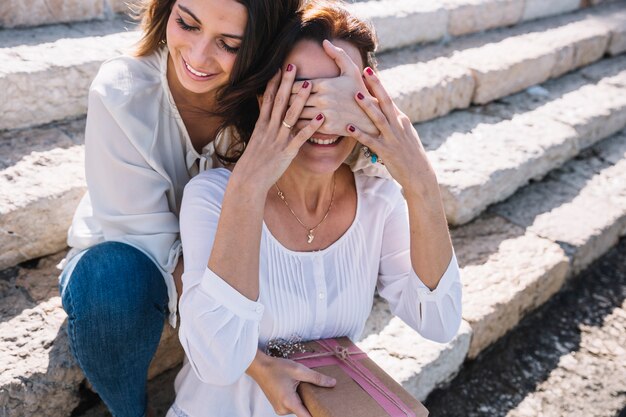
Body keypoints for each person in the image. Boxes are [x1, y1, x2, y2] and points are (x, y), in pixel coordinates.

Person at [57, 1, 378, 416]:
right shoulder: (121, 92)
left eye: (229, 43)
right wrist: (255, 363)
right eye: (187, 24)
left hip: (227, 250)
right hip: (135, 256)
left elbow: (354, 147)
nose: (198, 55)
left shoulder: (268, 96)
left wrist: (361, 107)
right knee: (111, 282)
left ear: (261, 48)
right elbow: (152, 244)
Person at [171, 2, 463, 416]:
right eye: (302, 90)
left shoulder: (378, 201)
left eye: (342, 92)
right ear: (264, 99)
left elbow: (439, 320)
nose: (324, 119)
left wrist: (420, 181)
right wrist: (250, 186)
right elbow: (217, 363)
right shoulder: (214, 198)